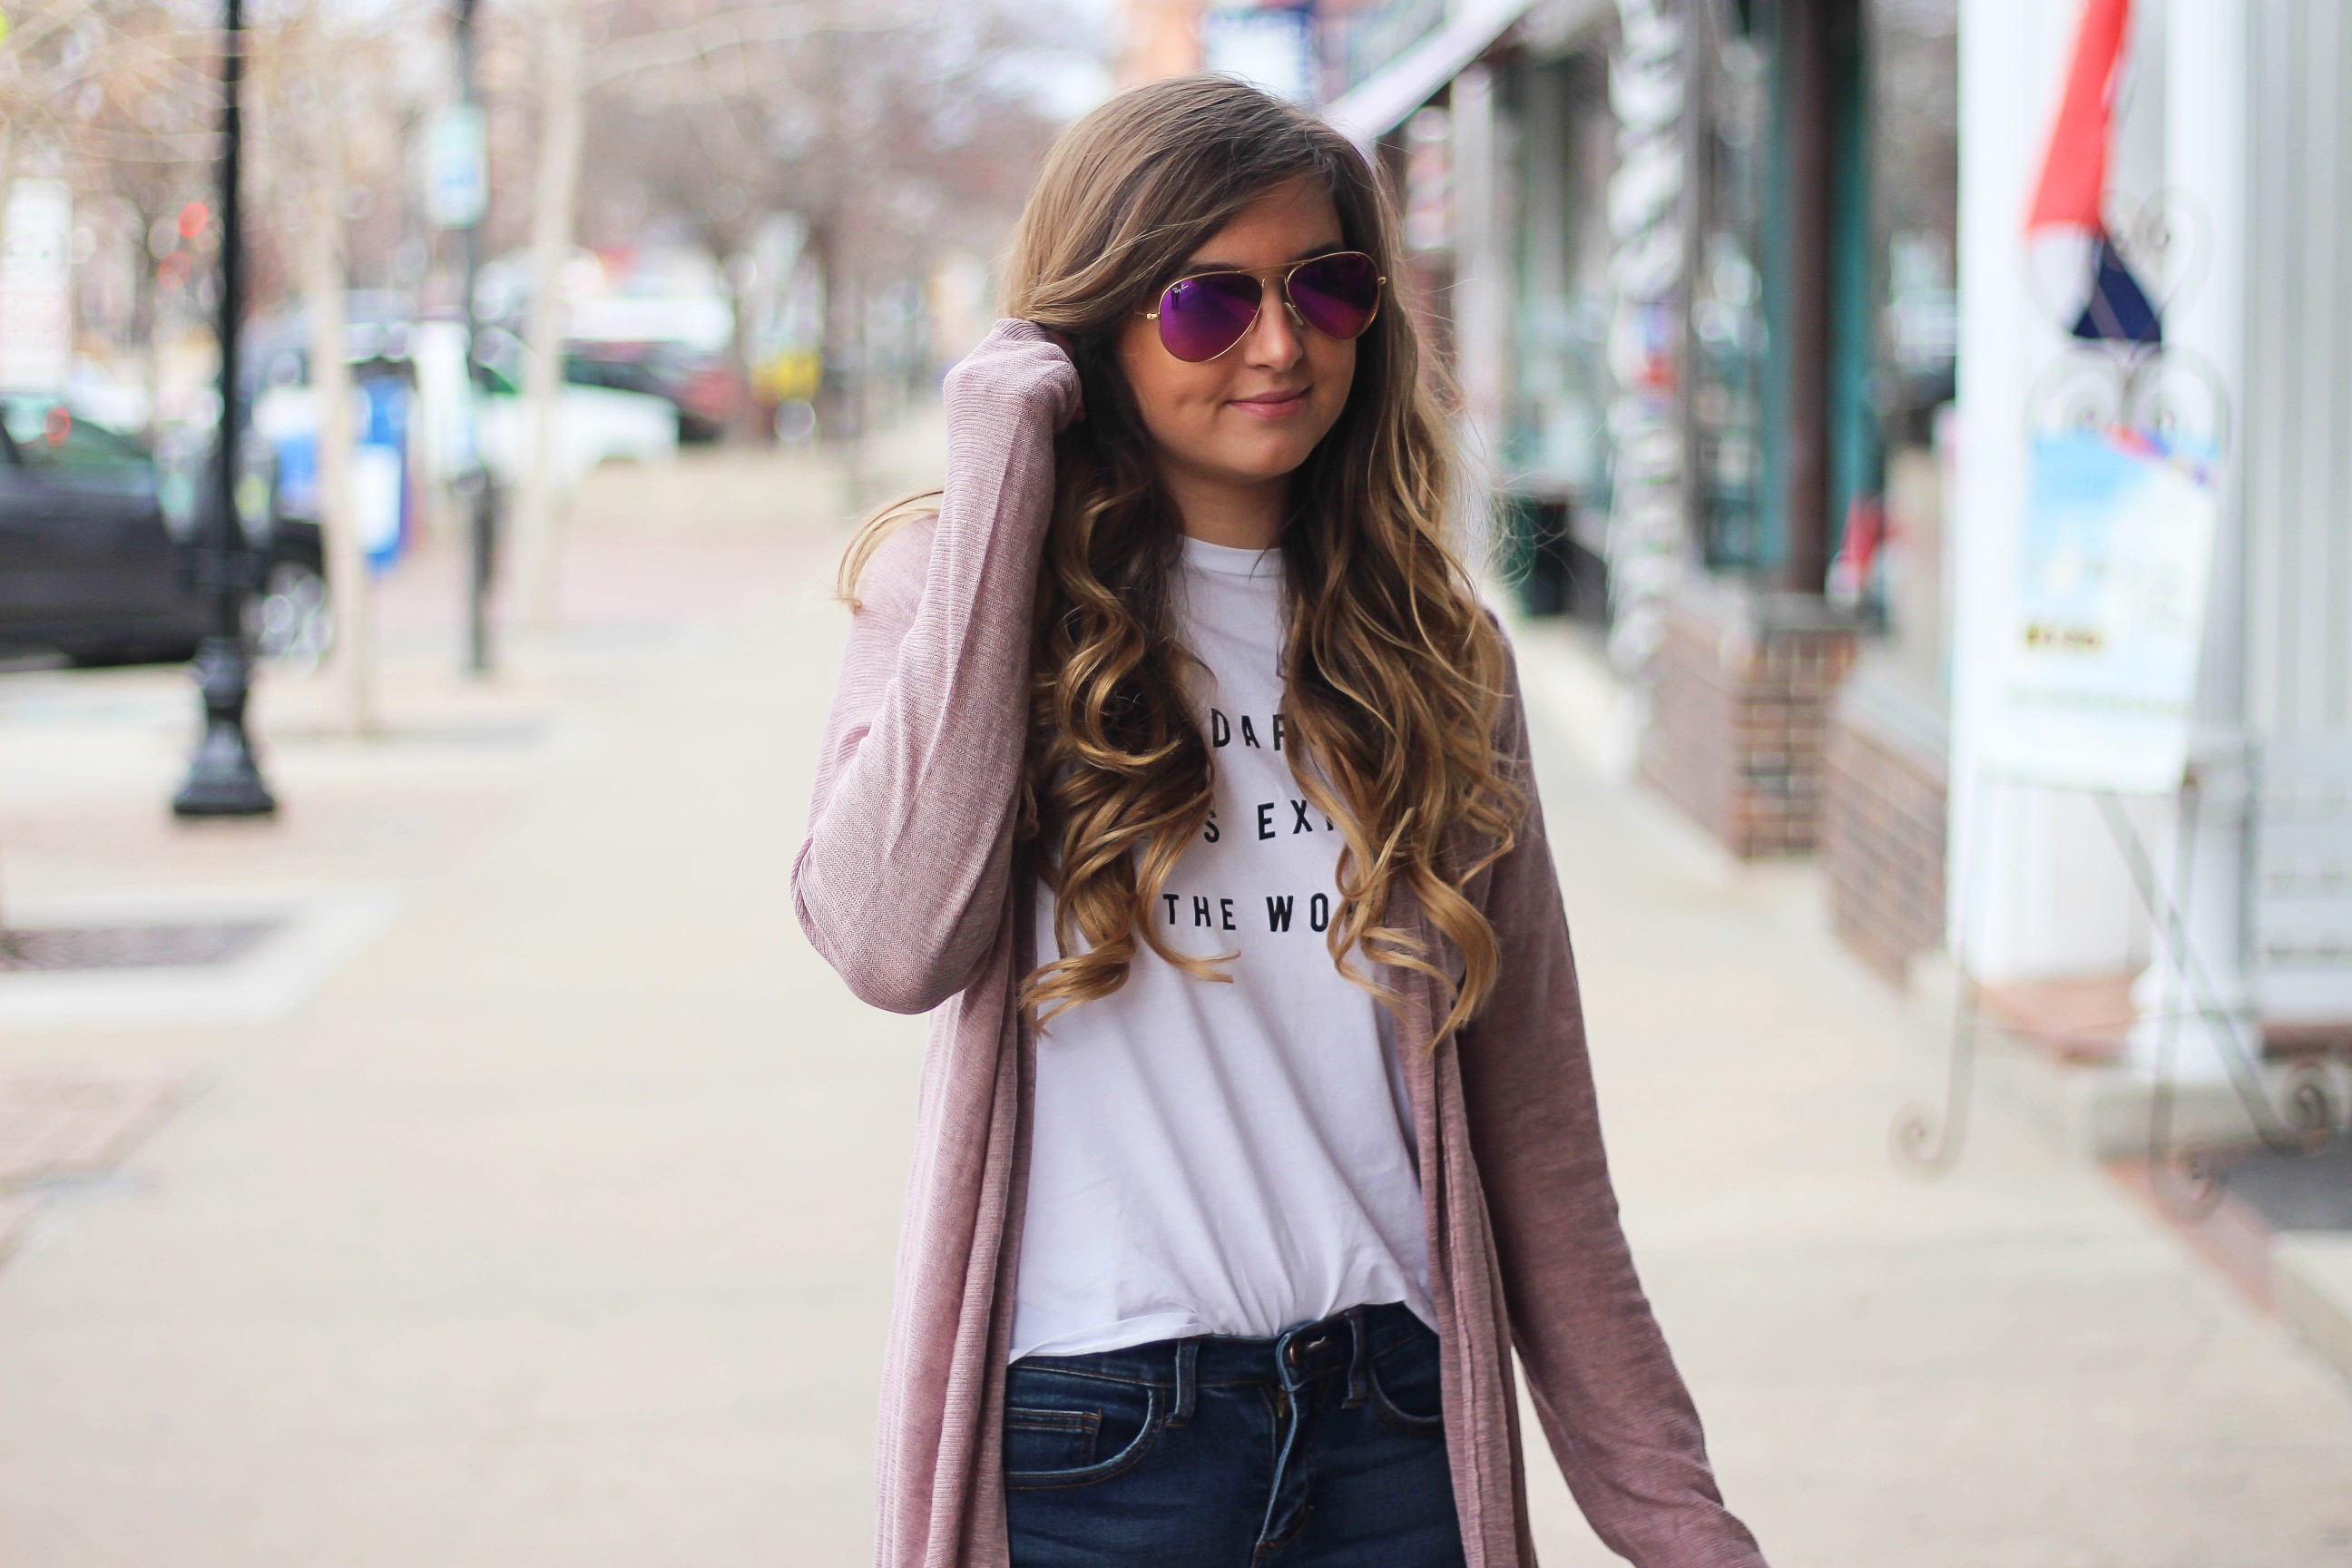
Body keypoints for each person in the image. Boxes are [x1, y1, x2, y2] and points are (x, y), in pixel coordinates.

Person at [795, 75, 1767, 1568]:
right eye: (1206, 303)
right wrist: (1000, 456)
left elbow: (1544, 1150)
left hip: (1392, 1425)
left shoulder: (1439, 658)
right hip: (1095, 1446)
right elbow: (884, 937)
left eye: (1326, 288)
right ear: (1097, 327)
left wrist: (1685, 1527)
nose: (1278, 343)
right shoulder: (962, 604)